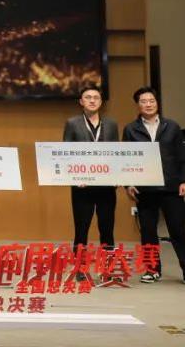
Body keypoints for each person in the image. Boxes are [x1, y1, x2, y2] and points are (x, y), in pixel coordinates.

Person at [122, 86, 185, 283]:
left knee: (178, 230)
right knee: (148, 231)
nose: (148, 104)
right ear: (138, 105)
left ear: (157, 103)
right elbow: (125, 159)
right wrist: (128, 184)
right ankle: (152, 270)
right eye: (143, 101)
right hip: (145, 188)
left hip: (171, 187)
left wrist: (183, 180)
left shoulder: (172, 126)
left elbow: (181, 157)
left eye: (151, 101)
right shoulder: (130, 129)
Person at [62, 85, 119, 281]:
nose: (92, 100)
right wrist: (75, 178)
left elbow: (116, 154)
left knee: (107, 229)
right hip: (82, 187)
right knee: (81, 229)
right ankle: (80, 268)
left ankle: (107, 269)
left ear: (101, 102)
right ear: (81, 101)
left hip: (106, 186)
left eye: (96, 97)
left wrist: (117, 176)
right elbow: (66, 154)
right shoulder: (72, 123)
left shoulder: (111, 124)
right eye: (88, 97)